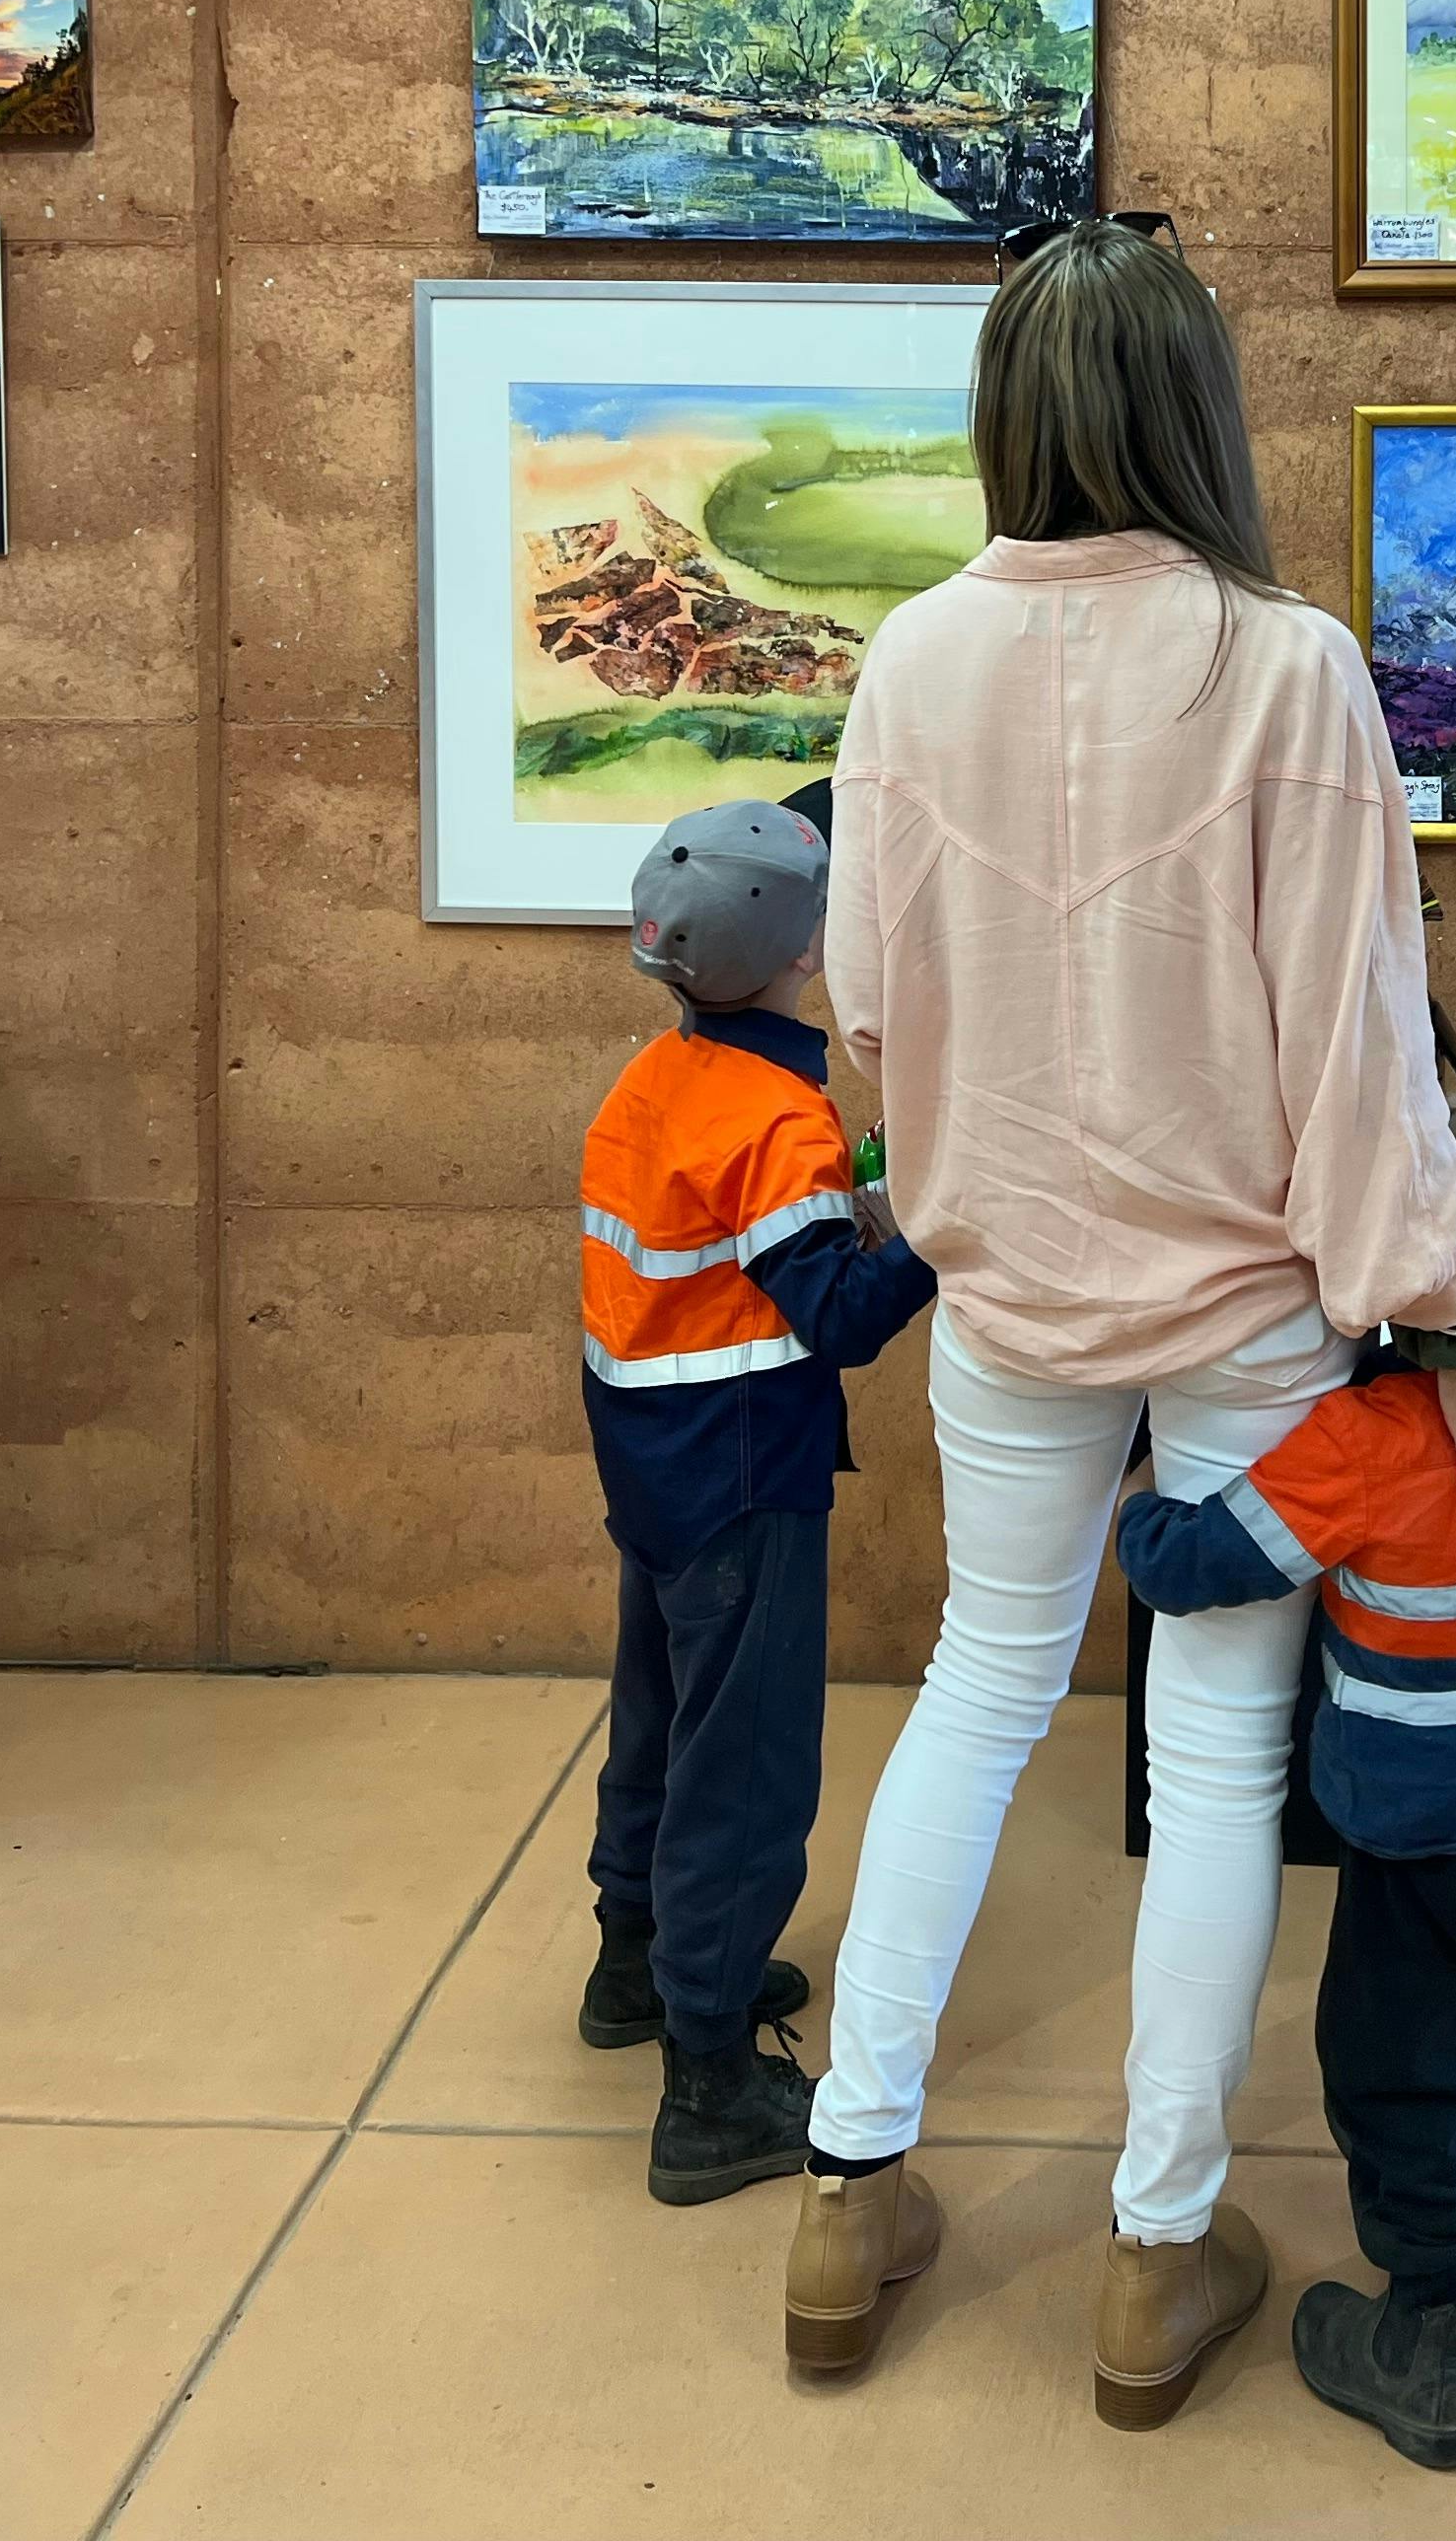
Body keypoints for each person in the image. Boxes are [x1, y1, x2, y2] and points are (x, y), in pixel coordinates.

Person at [781, 215, 1456, 2424]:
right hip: (1248, 1312)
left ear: (1001, 417)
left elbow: (861, 1000)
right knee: (1214, 1756)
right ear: (1200, 411)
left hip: (1005, 1287)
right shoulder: (1283, 660)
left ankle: (849, 2191)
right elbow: (1361, 1041)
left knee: (977, 1691)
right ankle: (1154, 2252)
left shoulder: (911, 658)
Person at [1117, 1099, 1456, 2474]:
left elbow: (1195, 1567)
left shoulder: (1354, 1447)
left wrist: (1137, 1493)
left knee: (1397, 2059)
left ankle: (1424, 2327)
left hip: (1424, 1823)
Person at [575, 787, 937, 2210]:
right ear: (808, 952)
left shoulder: (653, 1082)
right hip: (742, 1471)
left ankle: (633, 1963)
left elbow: (731, 1246)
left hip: (652, 1460)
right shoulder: (775, 1118)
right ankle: (710, 2083)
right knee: (748, 1767)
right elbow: (837, 1315)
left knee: (661, 1712)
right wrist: (939, 1225)